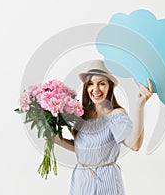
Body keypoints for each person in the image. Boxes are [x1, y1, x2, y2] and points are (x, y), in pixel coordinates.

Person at [54, 59, 153, 195]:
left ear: (109, 86)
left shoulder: (115, 115)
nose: (95, 89)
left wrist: (139, 106)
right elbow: (80, 148)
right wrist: (52, 138)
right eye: (90, 84)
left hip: (106, 182)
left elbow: (134, 145)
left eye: (101, 83)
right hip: (81, 181)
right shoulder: (81, 114)